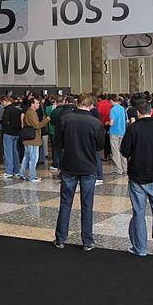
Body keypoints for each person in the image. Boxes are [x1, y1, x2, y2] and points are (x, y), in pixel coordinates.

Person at [120, 101, 153, 256]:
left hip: (137, 177)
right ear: (151, 111)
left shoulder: (133, 128)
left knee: (138, 213)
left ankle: (140, 248)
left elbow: (124, 151)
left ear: (138, 113)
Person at [54, 94, 105, 250]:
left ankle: (60, 239)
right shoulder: (96, 123)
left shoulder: (65, 119)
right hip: (88, 167)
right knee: (87, 204)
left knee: (65, 203)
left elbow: (58, 142)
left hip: (69, 165)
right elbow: (99, 146)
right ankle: (87, 241)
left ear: (76, 103)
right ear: (90, 106)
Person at [19, 98, 50, 182]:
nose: (38, 105)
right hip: (33, 139)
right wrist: (46, 120)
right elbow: (37, 126)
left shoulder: (28, 112)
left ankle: (21, 173)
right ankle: (32, 176)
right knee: (34, 158)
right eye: (37, 103)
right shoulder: (32, 113)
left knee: (27, 157)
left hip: (29, 139)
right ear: (32, 104)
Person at [0, 96, 22, 179]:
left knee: (8, 153)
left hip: (8, 133)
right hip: (16, 133)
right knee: (15, 152)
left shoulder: (7, 110)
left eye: (2, 102)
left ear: (6, 101)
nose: (2, 104)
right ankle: (17, 171)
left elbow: (4, 121)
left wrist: (1, 121)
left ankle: (9, 172)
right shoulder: (17, 110)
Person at [108, 94, 128, 175]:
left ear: (112, 101)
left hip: (114, 132)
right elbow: (126, 120)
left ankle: (119, 170)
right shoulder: (122, 108)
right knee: (122, 151)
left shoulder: (113, 109)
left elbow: (111, 122)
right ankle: (125, 169)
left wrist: (107, 122)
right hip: (122, 131)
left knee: (115, 152)